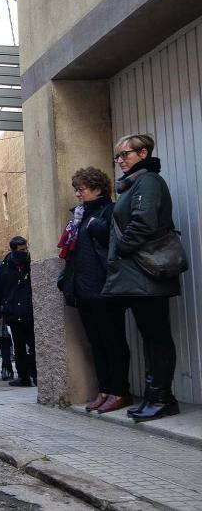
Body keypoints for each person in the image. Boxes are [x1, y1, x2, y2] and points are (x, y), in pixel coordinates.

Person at [103, 134, 181, 421]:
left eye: (126, 154)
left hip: (147, 274)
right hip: (138, 275)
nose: (121, 160)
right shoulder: (133, 184)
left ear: (143, 153)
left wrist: (122, 249)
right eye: (118, 156)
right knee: (151, 337)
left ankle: (161, 397)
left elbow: (143, 221)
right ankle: (158, 396)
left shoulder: (147, 182)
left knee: (156, 337)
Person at [57, 167, 131, 413]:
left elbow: (116, 243)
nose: (78, 194)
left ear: (97, 188)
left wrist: (94, 227)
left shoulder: (109, 211)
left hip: (106, 290)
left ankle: (120, 391)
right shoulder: (79, 217)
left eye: (82, 189)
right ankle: (105, 390)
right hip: (84, 291)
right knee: (96, 344)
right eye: (76, 189)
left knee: (113, 342)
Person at [0, 236, 36, 387]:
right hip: (13, 311)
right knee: (19, 346)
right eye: (22, 250)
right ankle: (24, 377)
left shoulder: (31, 263)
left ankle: (36, 375)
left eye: (26, 249)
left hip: (30, 310)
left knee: (34, 344)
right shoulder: (2, 268)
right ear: (14, 250)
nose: (25, 252)